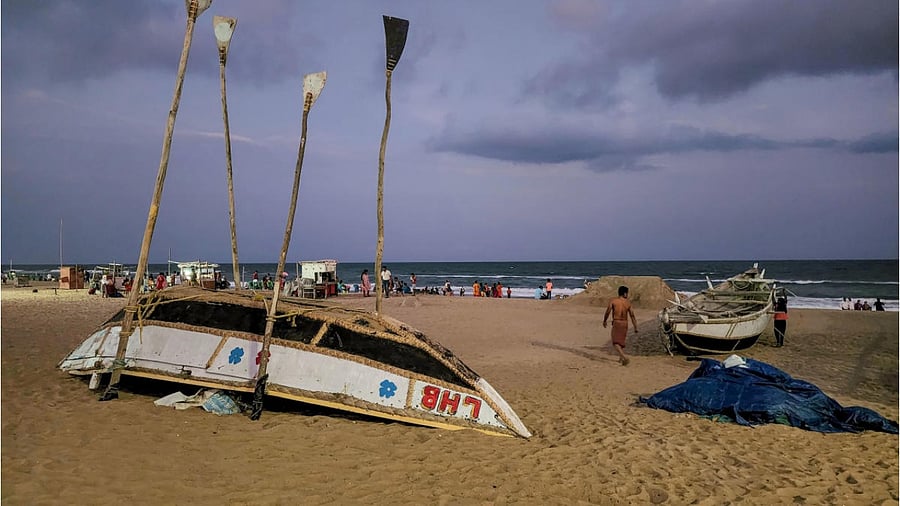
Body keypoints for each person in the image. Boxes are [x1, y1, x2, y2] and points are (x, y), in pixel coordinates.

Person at [602, 286, 638, 366]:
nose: (627, 295)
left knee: (615, 342)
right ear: (624, 293)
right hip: (625, 323)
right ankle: (620, 358)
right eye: (627, 293)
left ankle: (624, 357)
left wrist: (605, 320)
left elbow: (608, 311)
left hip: (617, 322)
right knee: (621, 341)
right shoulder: (628, 303)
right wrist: (635, 327)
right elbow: (632, 315)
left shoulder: (614, 301)